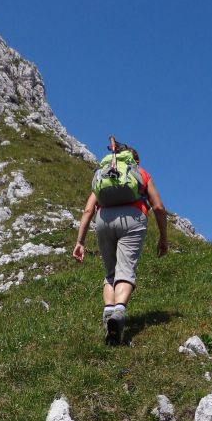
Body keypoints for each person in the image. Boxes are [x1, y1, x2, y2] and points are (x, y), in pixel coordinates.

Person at [72, 143, 169, 343]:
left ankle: (108, 315)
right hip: (133, 218)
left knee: (110, 273)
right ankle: (118, 313)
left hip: (104, 219)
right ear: (135, 160)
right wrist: (163, 237)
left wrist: (80, 242)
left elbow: (88, 210)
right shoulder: (140, 173)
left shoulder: (104, 174)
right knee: (125, 270)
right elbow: (158, 207)